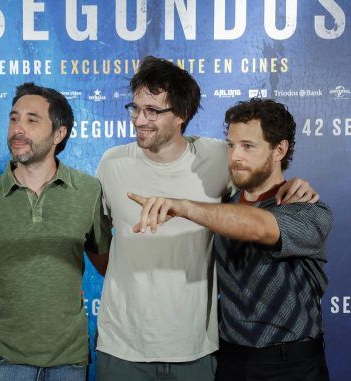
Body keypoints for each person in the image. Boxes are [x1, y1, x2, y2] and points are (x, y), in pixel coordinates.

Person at [94, 57, 318, 381]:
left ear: (181, 115)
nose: (139, 119)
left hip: (196, 349)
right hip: (121, 349)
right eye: (135, 108)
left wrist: (295, 184)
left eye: (153, 111)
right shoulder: (111, 163)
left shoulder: (217, 157)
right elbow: (97, 240)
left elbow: (256, 185)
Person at [0, 82, 112, 381]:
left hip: (67, 362)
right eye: (14, 118)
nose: (18, 129)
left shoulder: (88, 191)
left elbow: (106, 263)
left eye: (32, 120)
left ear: (59, 134)